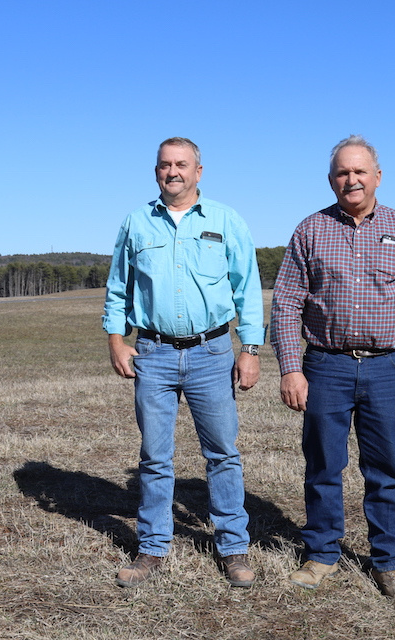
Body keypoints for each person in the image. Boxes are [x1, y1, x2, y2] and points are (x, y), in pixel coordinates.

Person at [270, 135, 395, 604]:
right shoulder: (310, 230)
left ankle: (387, 562)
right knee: (324, 465)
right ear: (331, 180)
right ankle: (322, 553)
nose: (352, 179)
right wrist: (291, 368)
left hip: (388, 368)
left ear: (377, 177)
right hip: (324, 366)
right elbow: (286, 305)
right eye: (342, 173)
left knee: (387, 470)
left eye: (360, 172)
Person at [103, 137, 265, 589]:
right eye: (164, 165)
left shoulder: (226, 220)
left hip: (212, 353)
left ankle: (233, 548)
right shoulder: (136, 224)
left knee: (223, 455)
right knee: (155, 457)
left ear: (198, 170)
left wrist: (250, 351)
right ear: (156, 171)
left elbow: (247, 289)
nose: (172, 172)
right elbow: (118, 289)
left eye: (181, 164)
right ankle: (152, 548)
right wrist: (117, 341)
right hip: (151, 354)